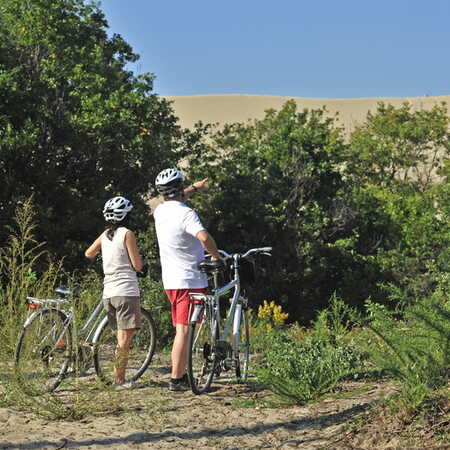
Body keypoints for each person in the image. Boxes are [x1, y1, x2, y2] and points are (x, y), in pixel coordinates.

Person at [153, 168, 222, 392]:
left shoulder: (159, 211)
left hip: (171, 281)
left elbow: (175, 197)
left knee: (182, 329)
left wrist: (193, 188)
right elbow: (204, 236)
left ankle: (181, 373)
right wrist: (215, 256)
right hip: (190, 280)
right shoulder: (187, 214)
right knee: (183, 331)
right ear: (179, 188)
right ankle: (176, 379)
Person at [85, 196, 144, 388]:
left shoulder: (104, 236)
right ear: (126, 216)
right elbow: (137, 265)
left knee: (119, 339)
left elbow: (88, 253)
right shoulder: (127, 234)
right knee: (123, 342)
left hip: (108, 293)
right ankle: (119, 381)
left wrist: (107, 256)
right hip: (126, 291)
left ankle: (116, 377)